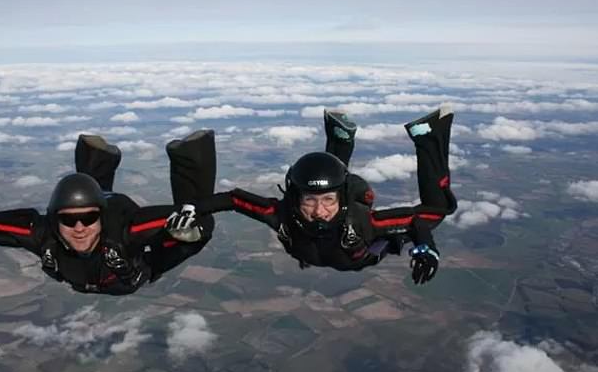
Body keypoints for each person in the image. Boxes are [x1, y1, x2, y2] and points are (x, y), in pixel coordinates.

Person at [169, 108, 457, 284]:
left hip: (362, 249)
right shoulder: (280, 213)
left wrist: (424, 246)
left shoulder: (362, 222)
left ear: (341, 200)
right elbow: (233, 199)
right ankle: (341, 138)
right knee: (328, 180)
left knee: (440, 209)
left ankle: (429, 135)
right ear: (295, 199)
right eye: (310, 201)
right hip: (338, 249)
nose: (320, 211)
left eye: (328, 201)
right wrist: (195, 207)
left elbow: (421, 218)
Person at [0, 131, 216, 295]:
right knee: (90, 197)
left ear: (100, 218)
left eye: (88, 218)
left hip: (136, 254)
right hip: (106, 215)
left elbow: (202, 214)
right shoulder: (42, 233)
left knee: (185, 233)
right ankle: (97, 161)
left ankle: (191, 157)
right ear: (54, 220)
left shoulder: (129, 231)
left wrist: (198, 230)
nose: (79, 227)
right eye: (68, 219)